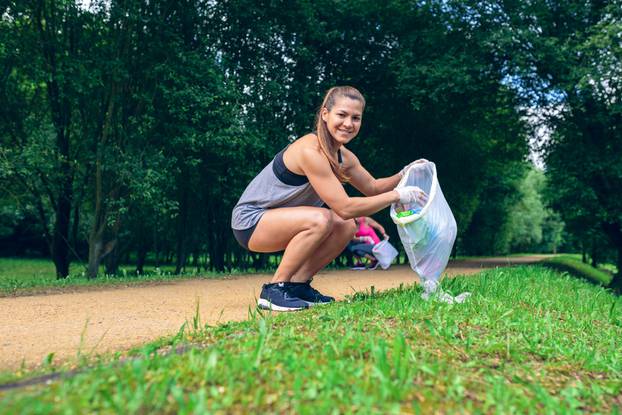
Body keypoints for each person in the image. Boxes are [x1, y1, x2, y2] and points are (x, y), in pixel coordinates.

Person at [231, 86, 427, 311]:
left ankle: (297, 285)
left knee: (346, 225)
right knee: (322, 218)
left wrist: (405, 173)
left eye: (356, 118)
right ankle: (275, 290)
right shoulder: (310, 150)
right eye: (341, 115)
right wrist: (397, 196)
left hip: (282, 223)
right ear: (325, 114)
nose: (348, 123)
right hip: (250, 223)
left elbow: (373, 187)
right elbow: (344, 206)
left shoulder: (343, 157)